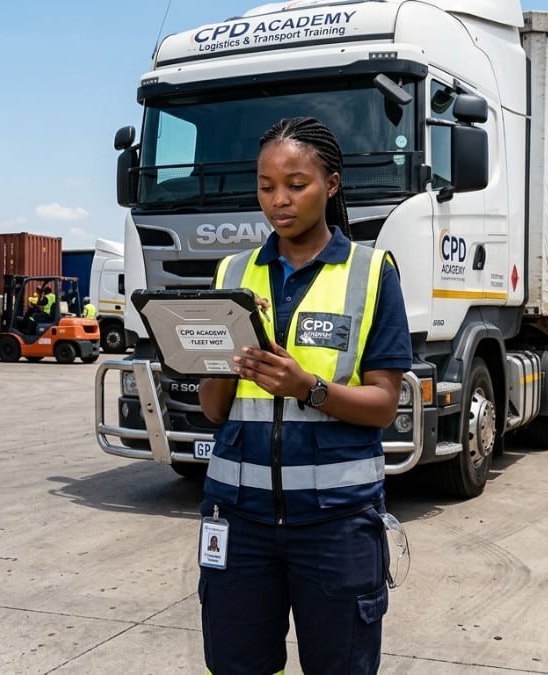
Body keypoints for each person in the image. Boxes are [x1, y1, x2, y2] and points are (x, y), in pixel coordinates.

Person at [196, 116, 411, 674]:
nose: (278, 201)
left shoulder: (370, 273)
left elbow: (384, 405)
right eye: (266, 186)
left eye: (296, 184)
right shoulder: (232, 272)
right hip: (238, 521)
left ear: (331, 185)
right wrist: (229, 350)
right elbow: (215, 409)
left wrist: (307, 388)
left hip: (336, 525)